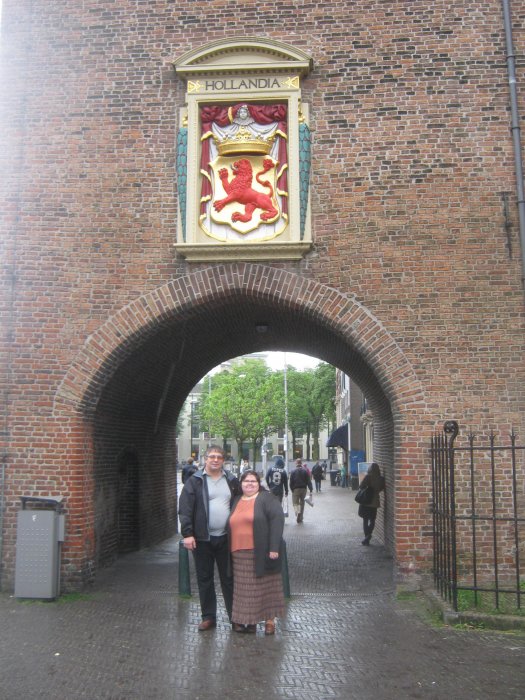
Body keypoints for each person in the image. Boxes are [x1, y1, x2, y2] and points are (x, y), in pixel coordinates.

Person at [178, 445, 241, 631]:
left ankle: (235, 617)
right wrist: (188, 534)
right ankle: (208, 617)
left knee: (229, 579)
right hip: (202, 538)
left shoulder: (231, 480)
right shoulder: (195, 481)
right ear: (205, 459)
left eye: (219, 457)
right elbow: (185, 508)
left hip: (226, 538)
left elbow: (241, 503)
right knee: (204, 578)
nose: (215, 460)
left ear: (223, 460)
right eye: (212, 456)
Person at [228, 470, 286, 635]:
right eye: (246, 481)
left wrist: (274, 547)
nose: (249, 484)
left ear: (259, 484)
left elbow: (277, 521)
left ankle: (270, 621)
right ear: (241, 484)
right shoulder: (236, 500)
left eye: (253, 481)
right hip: (239, 553)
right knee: (245, 591)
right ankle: (249, 621)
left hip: (261, 552)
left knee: (268, 587)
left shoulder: (267, 498)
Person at [358, 462, 386, 545]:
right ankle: (369, 534)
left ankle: (367, 537)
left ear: (370, 469)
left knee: (365, 520)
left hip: (366, 502)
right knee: (372, 520)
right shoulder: (381, 479)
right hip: (375, 502)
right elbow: (381, 488)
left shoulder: (368, 477)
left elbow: (361, 486)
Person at [289, 459, 313, 524]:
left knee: (295, 503)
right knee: (302, 503)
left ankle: (298, 513)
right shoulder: (305, 471)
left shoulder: (293, 471)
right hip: (303, 489)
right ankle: (300, 517)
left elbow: (291, 482)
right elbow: (308, 481)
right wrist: (311, 489)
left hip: (295, 489)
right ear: (301, 463)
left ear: (296, 463)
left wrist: (292, 489)